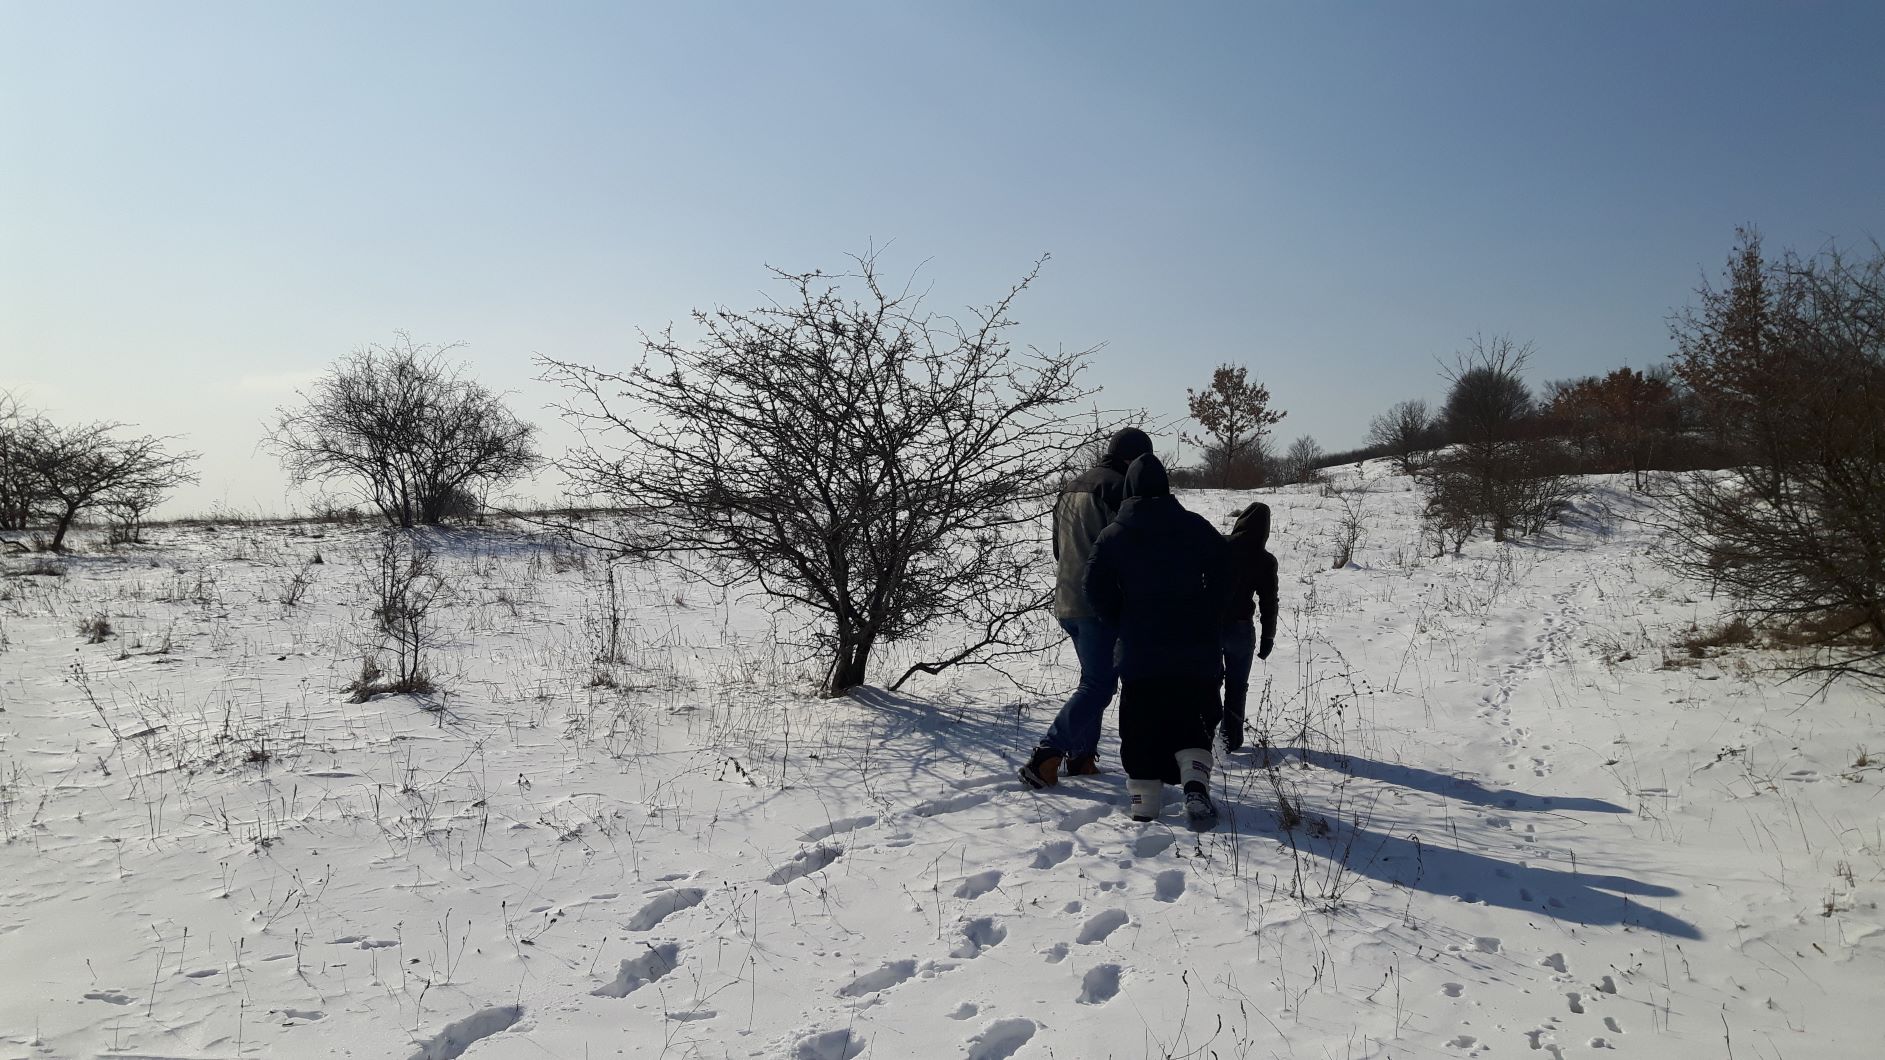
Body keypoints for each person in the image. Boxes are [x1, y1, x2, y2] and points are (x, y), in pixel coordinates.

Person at [1083, 453, 1231, 830]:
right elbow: (1227, 571)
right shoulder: (1195, 527)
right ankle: (1194, 785)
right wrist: (1208, 612)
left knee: (1141, 728)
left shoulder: (1114, 535)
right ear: (1166, 488)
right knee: (1193, 721)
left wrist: (1121, 619)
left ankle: (1145, 804)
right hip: (1194, 652)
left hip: (1140, 654)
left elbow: (1093, 586)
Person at [1018, 426, 1155, 789]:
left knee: (1093, 680)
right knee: (1099, 684)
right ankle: (1046, 756)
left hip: (1067, 599)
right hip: (1099, 604)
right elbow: (1126, 549)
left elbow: (1057, 549)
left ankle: (1081, 757)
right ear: (1135, 458)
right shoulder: (1118, 488)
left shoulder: (1070, 487)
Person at [1220, 502, 1279, 752]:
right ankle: (1230, 739)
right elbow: (1269, 602)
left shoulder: (1221, 546)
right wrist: (1268, 637)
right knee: (1237, 686)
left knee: (1208, 681)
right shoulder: (1265, 560)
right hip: (1242, 629)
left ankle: (1203, 734)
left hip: (1212, 626)